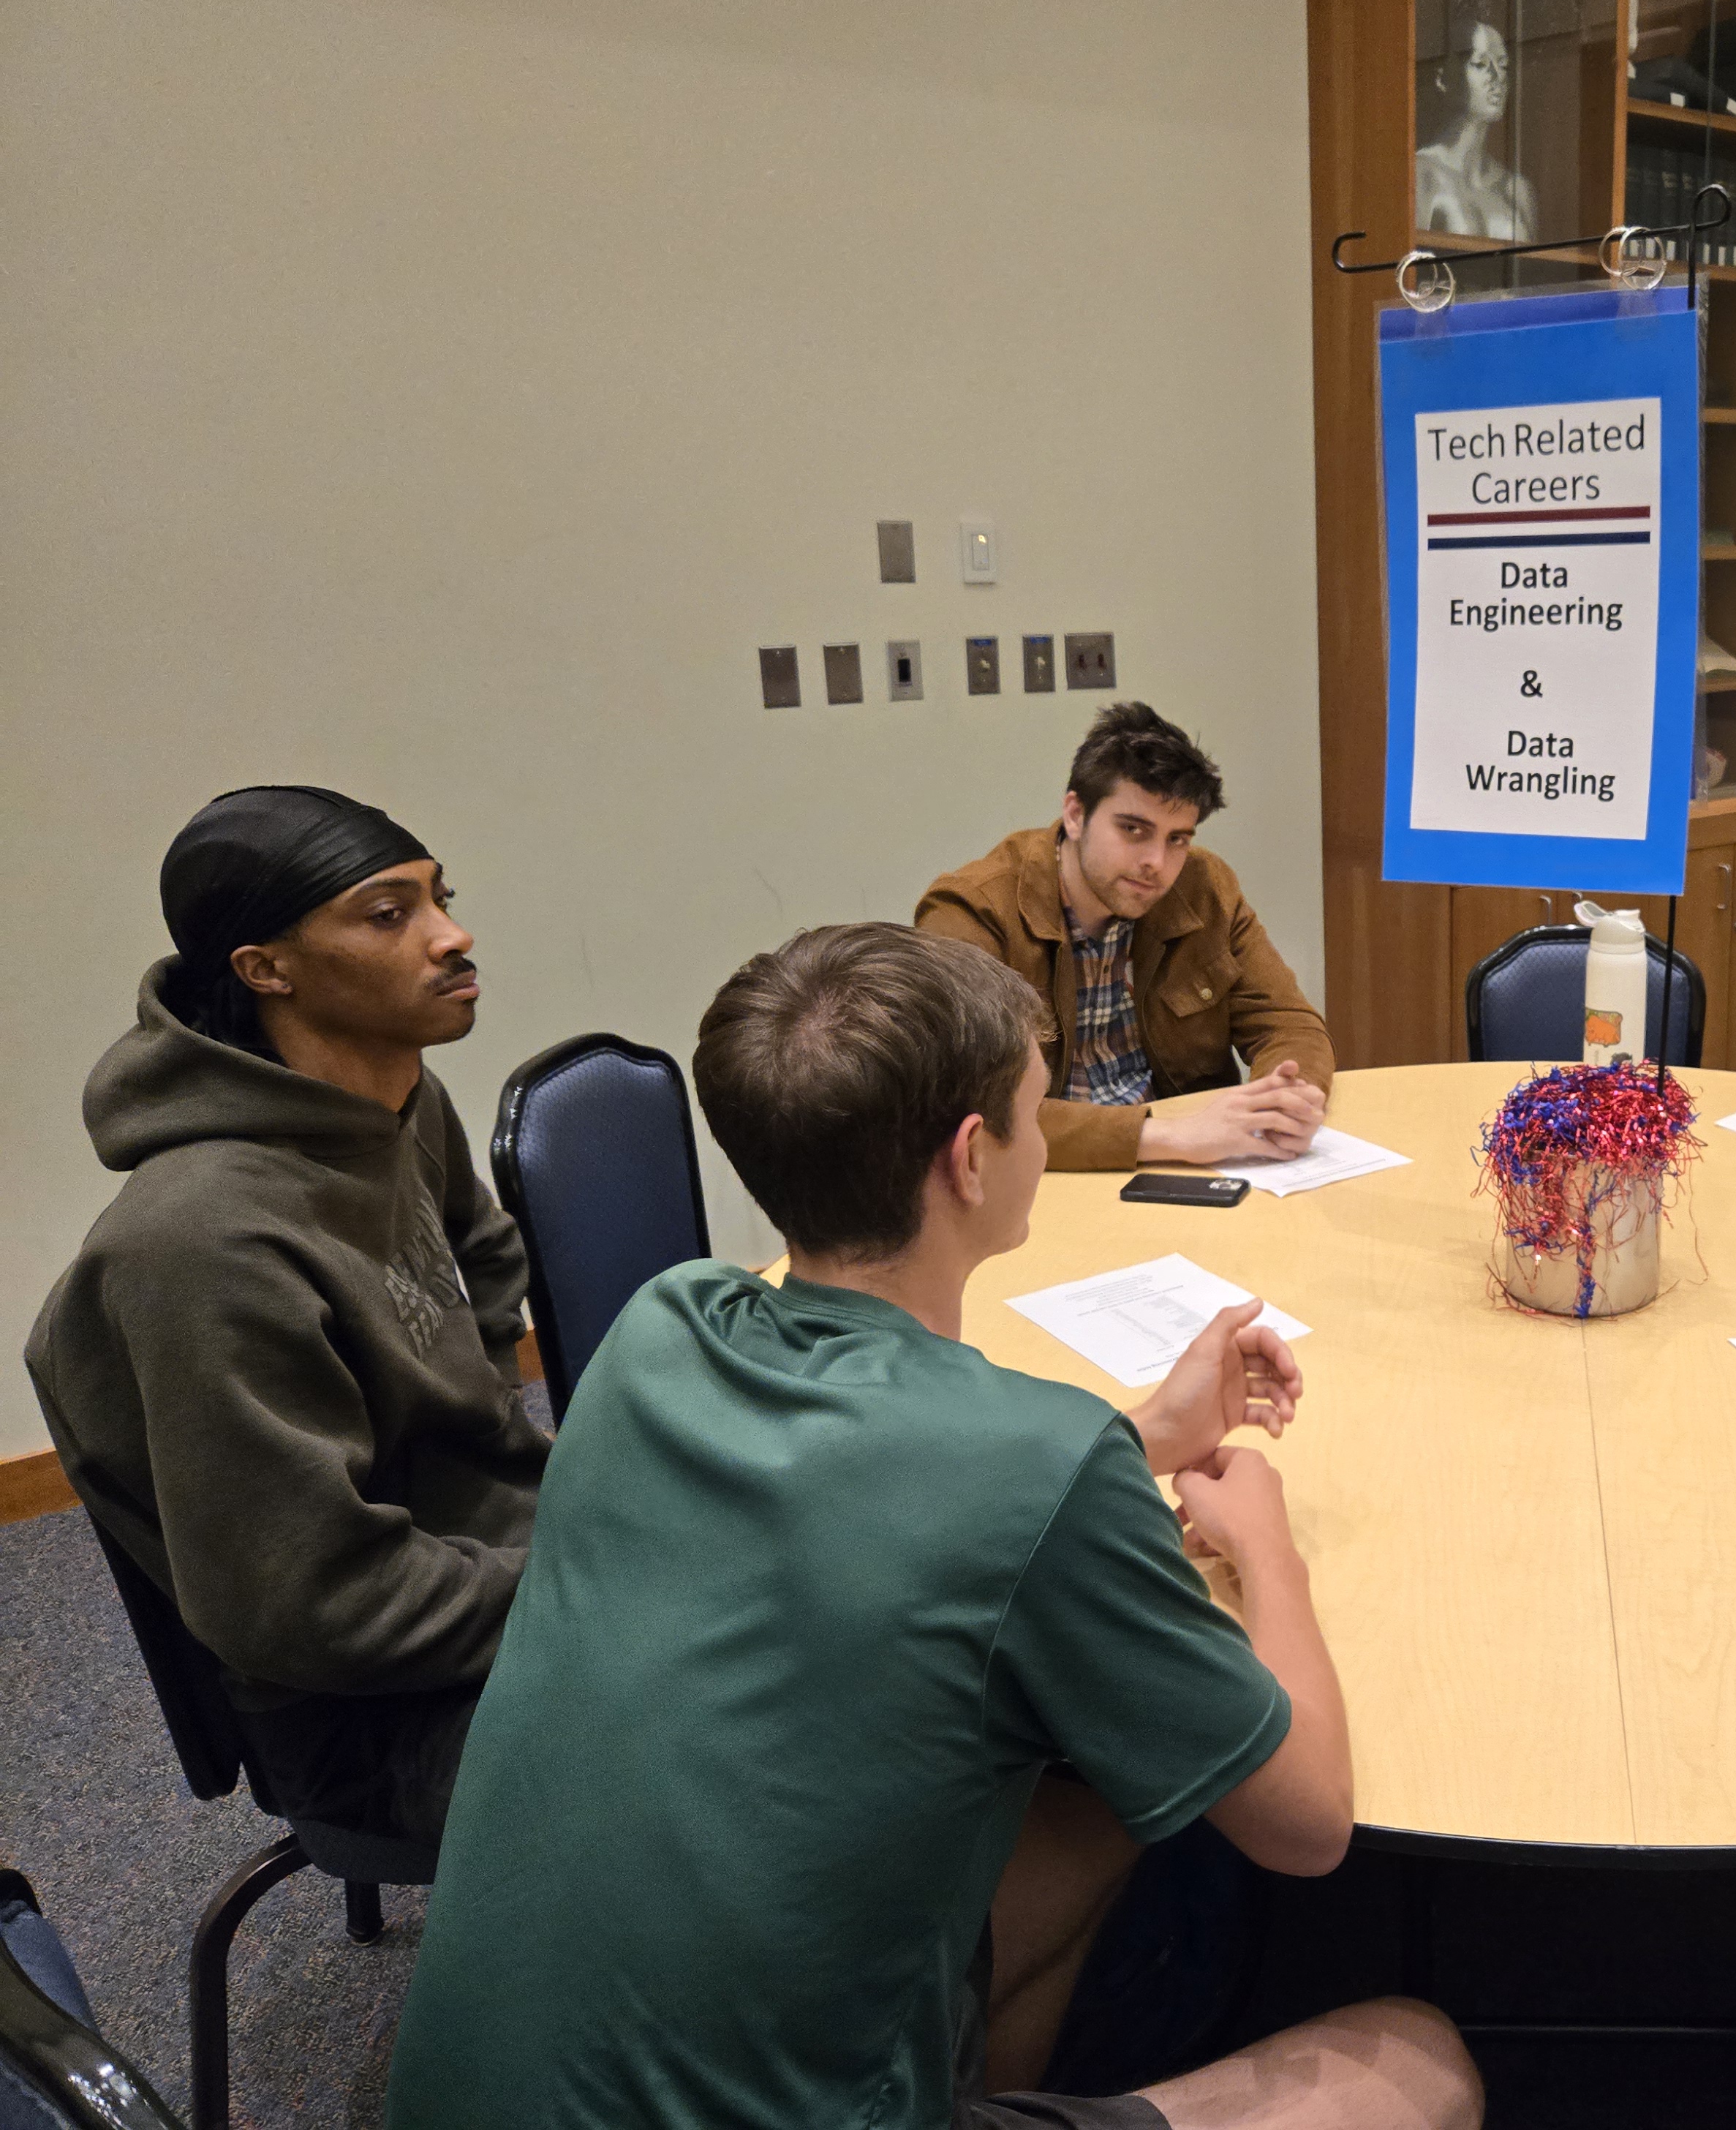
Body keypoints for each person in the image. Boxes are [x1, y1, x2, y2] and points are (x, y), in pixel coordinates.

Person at [385, 923, 1479, 2130]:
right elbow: (1308, 1826)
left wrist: (1147, 1433)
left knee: (1097, 1818)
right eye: (1036, 1107)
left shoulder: (663, 1329)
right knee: (1419, 2065)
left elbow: (886, 1496)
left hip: (471, 2099)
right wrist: (1267, 1545)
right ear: (971, 1159)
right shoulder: (1036, 1459)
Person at [23, 786, 543, 1843]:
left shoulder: (392, 1096)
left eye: (440, 897)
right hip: (378, 1728)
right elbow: (317, 1606)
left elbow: (484, 1255)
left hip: (488, 1576)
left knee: (846, 1624)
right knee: (799, 1723)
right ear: (266, 969)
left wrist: (475, 1421)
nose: (453, 936)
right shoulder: (200, 1245)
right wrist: (591, 1586)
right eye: (389, 913)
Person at [918, 702, 1337, 1173]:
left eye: (1178, 838)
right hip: (1046, 1179)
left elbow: (1289, 1024)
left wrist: (1288, 1099)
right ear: (1075, 815)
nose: (1157, 862)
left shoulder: (1205, 889)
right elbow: (971, 1106)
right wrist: (1171, 1136)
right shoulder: (973, 914)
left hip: (1192, 1166)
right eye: (1133, 830)